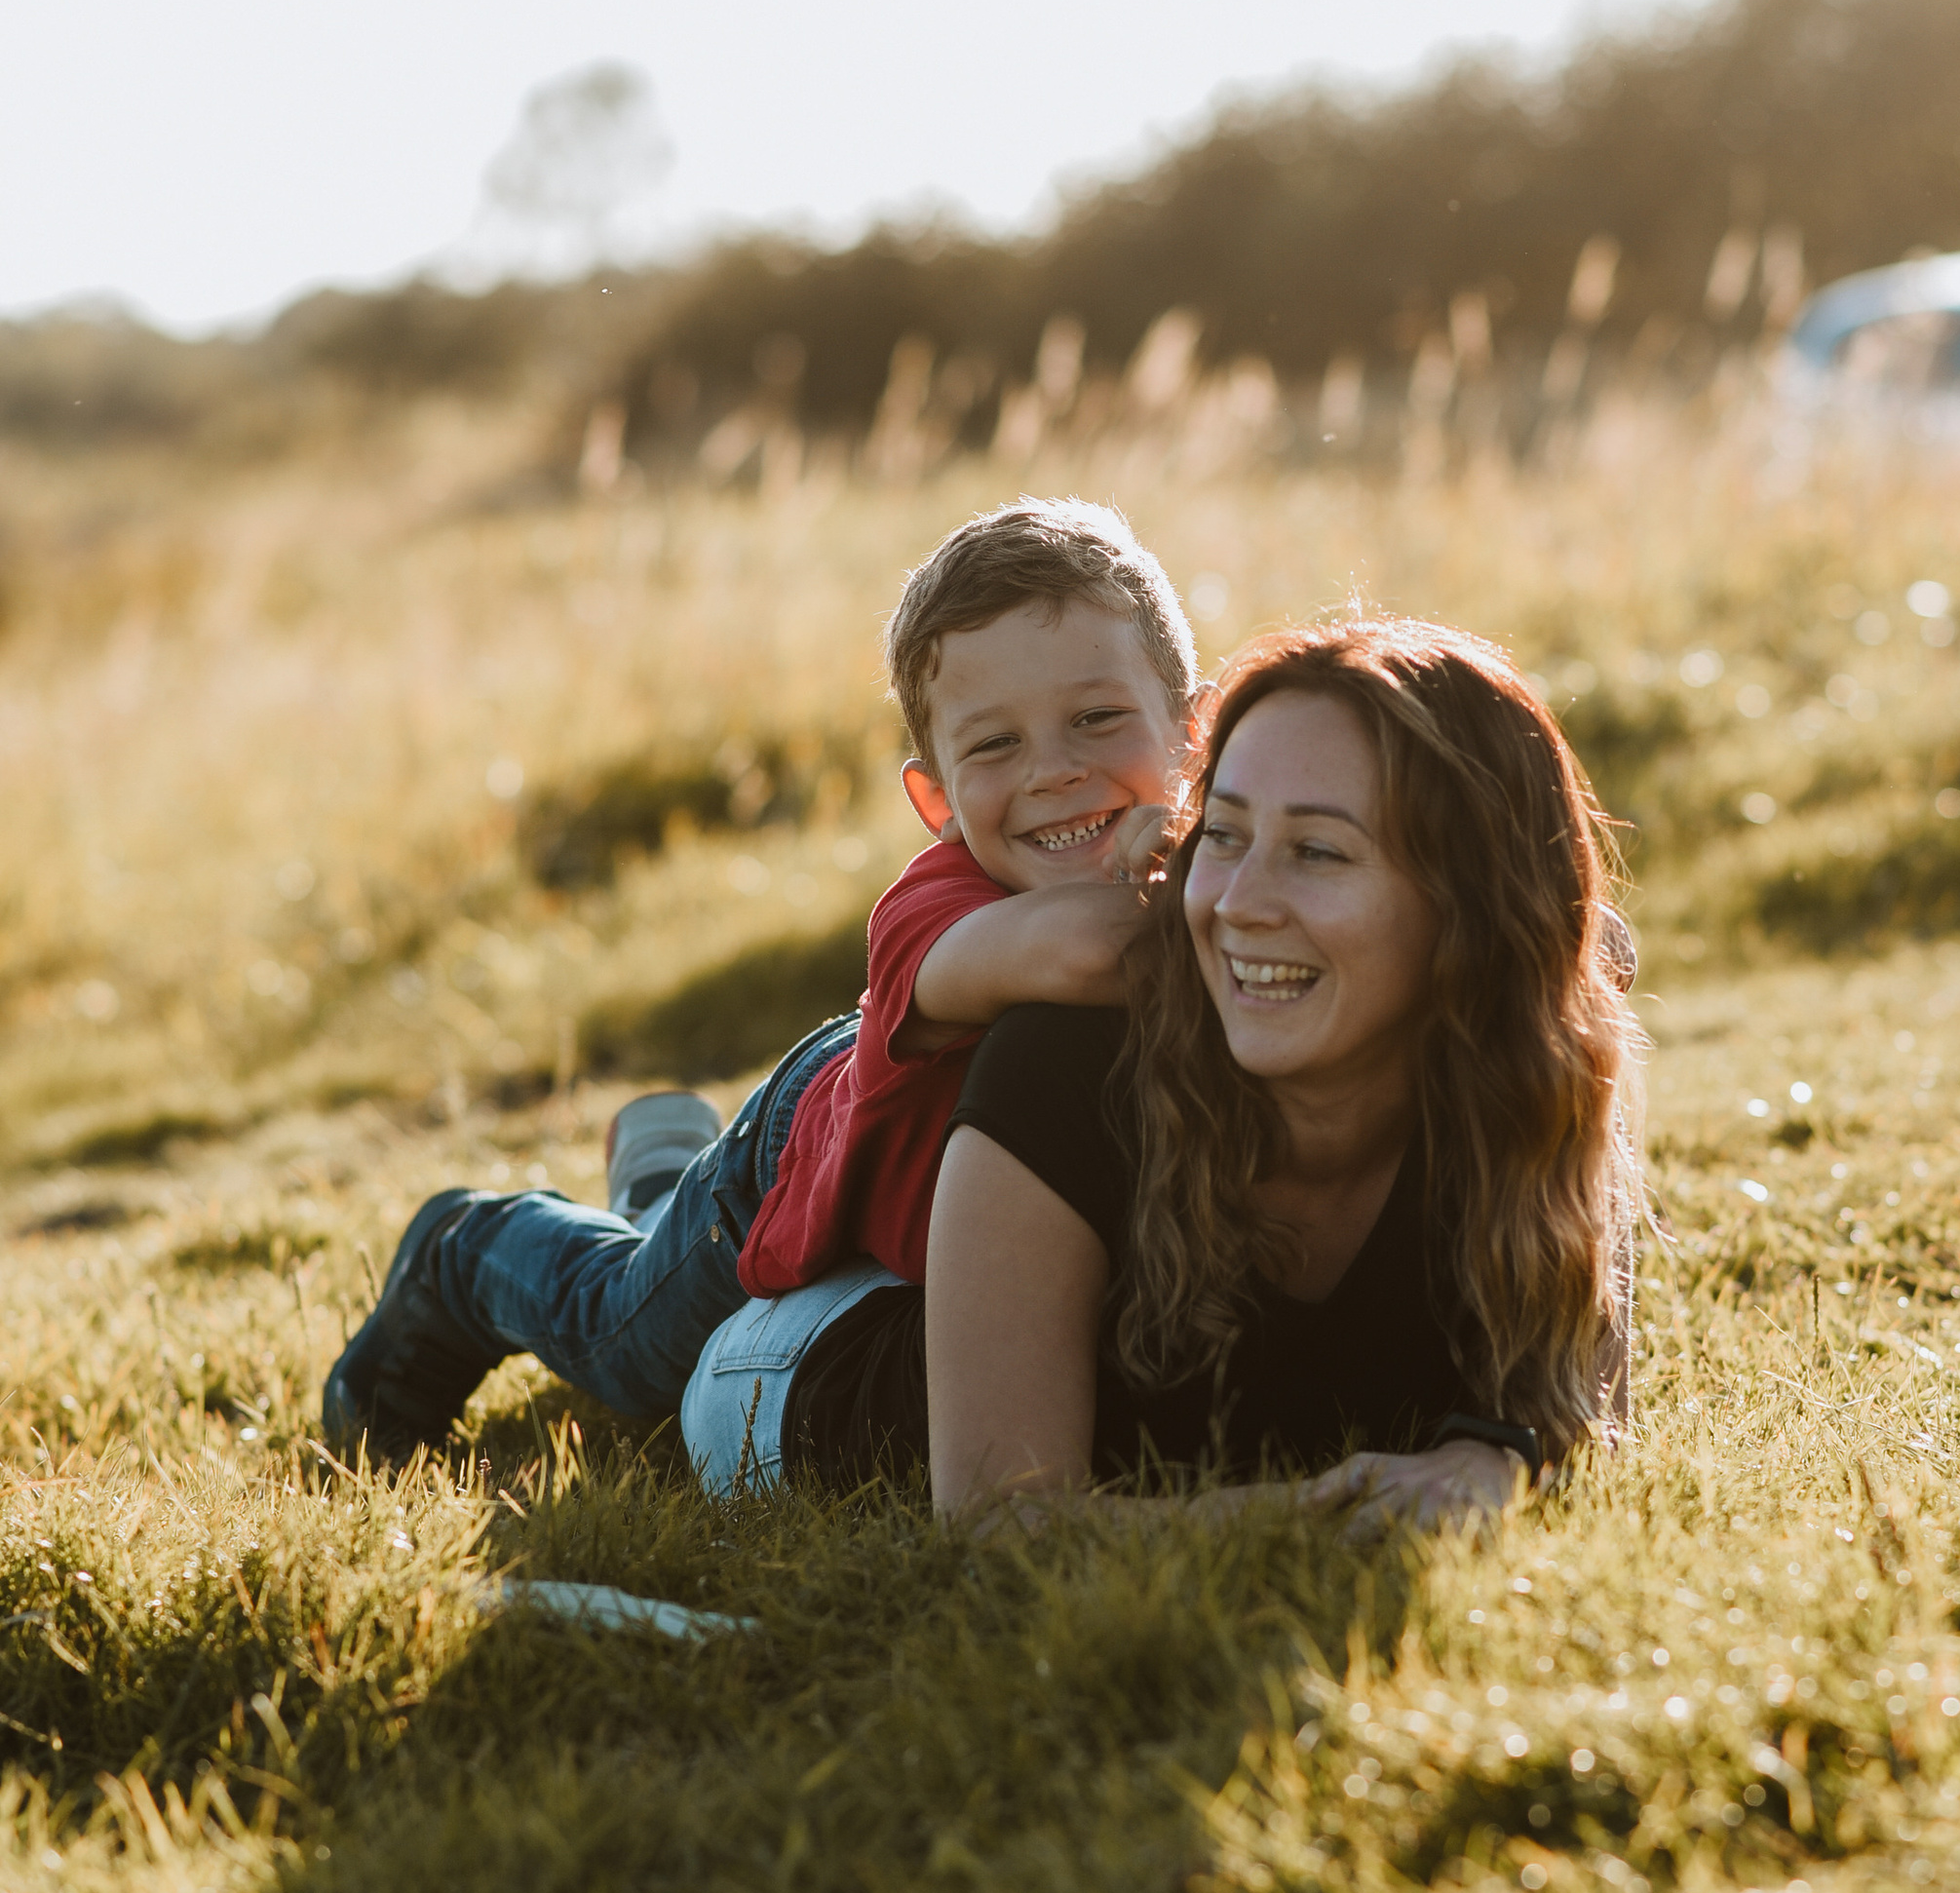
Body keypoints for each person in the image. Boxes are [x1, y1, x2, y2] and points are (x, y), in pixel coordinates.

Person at [321, 497, 1196, 1470]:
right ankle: (464, 1251)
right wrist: (1217, 869)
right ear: (937, 798)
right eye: (996, 745)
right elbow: (1084, 949)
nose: (1056, 772)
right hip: (786, 1169)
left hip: (883, 1143)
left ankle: (658, 1169)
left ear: (1194, 736)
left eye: (1097, 719)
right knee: (622, 1338)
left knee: (654, 1237)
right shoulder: (933, 908)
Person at [759, 613, 1642, 1521]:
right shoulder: (1063, 1066)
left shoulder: (1532, 1070)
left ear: (1469, 904)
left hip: (932, 1181)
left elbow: (1564, 1420)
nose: (1237, 904)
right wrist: (1320, 1508)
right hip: (803, 1358)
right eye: (1221, 835)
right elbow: (995, 1522)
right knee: (665, 1275)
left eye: (1317, 852)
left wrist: (1494, 1461)